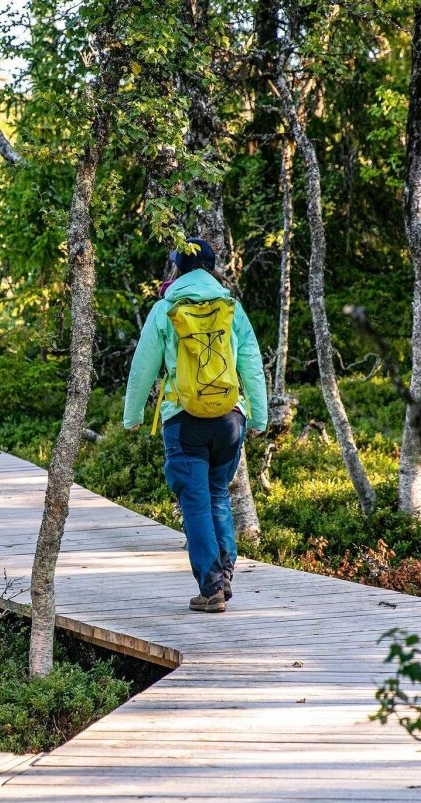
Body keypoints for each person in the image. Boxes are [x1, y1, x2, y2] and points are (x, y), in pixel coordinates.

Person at [123, 238, 268, 613]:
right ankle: (226, 569)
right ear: (210, 266)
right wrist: (260, 416)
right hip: (229, 418)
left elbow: (143, 367)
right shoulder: (230, 307)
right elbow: (251, 362)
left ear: (178, 268)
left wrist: (132, 416)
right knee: (217, 494)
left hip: (183, 419)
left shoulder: (165, 308)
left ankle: (212, 586)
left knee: (196, 505)